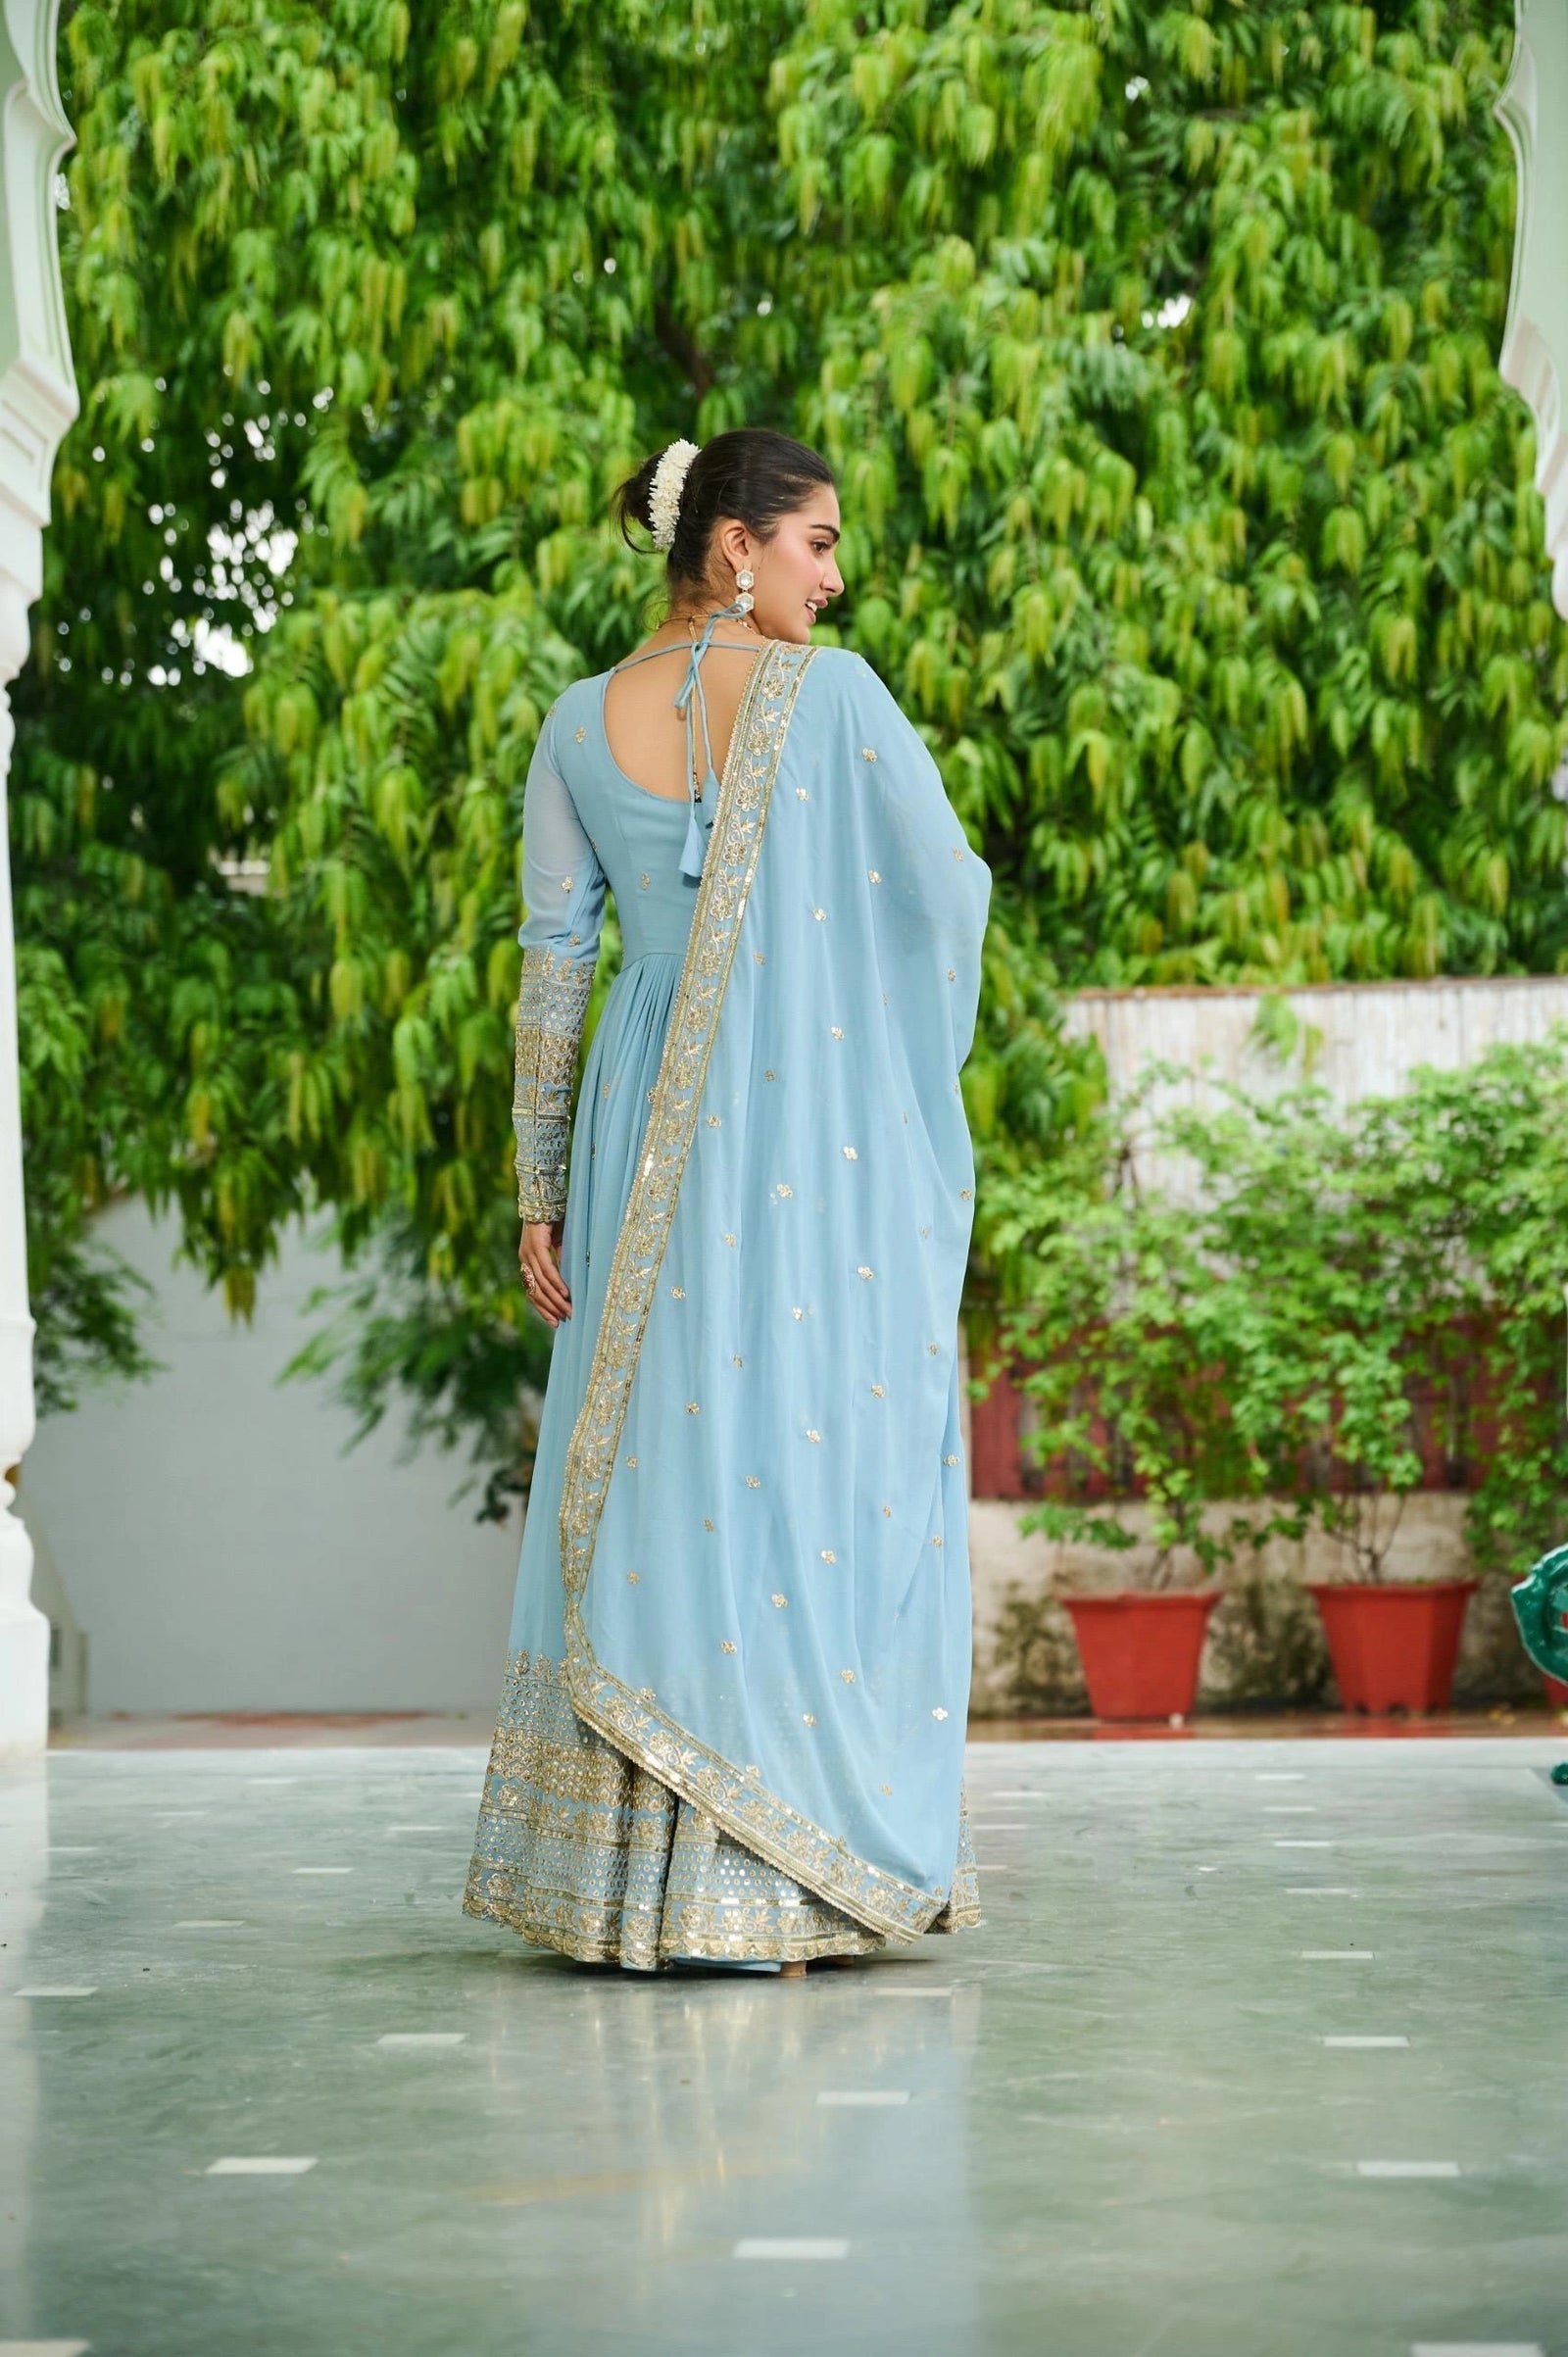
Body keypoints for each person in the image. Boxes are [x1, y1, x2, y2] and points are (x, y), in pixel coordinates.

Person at [463, 427, 991, 1974]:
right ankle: (786, 1864)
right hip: (794, 1127)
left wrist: (536, 1188)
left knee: (664, 1466)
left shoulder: (574, 721)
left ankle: (637, 1880)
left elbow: (553, 971)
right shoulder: (834, 700)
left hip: (640, 1122)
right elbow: (945, 891)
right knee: (790, 1462)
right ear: (734, 547)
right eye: (817, 541)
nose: (837, 574)